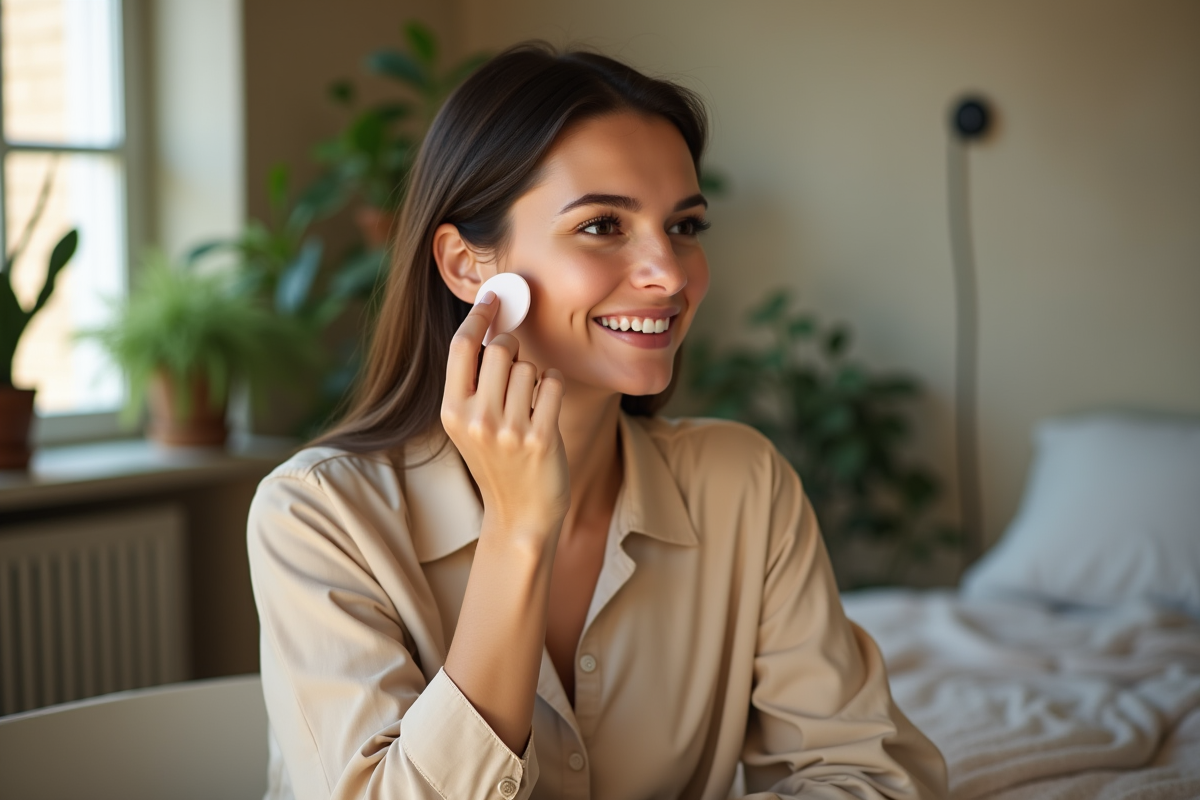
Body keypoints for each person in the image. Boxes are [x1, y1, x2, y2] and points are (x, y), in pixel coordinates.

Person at [247, 43, 948, 800]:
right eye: (602, 226)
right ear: (465, 265)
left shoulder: (742, 484)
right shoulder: (319, 516)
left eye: (684, 226)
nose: (670, 274)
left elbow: (871, 776)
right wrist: (519, 529)